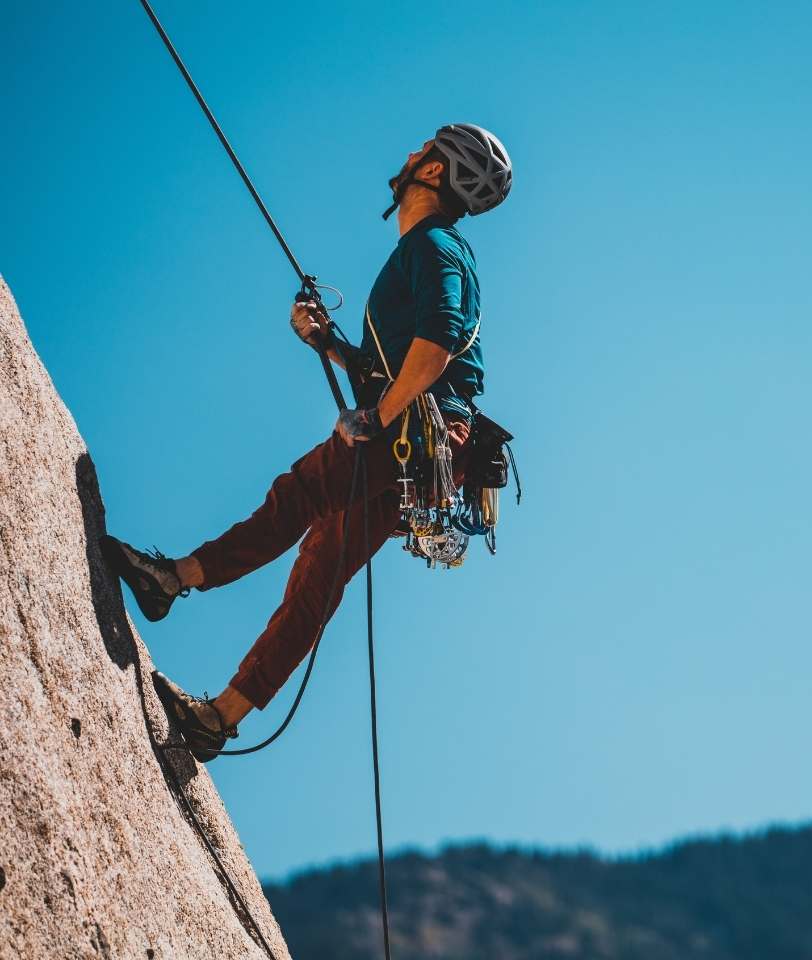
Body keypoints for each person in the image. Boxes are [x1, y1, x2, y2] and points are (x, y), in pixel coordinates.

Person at [103, 123, 513, 761]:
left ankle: (170, 579)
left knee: (297, 496)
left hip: (415, 431)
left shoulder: (434, 247)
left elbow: (434, 348)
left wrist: (377, 418)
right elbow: (407, 361)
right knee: (320, 570)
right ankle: (220, 716)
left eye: (421, 150)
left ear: (433, 172)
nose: (408, 154)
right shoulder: (428, 249)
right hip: (434, 451)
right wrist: (328, 344)